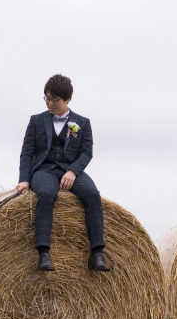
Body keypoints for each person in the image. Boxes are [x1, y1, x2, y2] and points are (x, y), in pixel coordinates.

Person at [15, 74, 110, 272]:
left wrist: (73, 171)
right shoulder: (36, 121)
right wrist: (24, 180)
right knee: (48, 194)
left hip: (71, 170)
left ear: (67, 100)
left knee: (93, 194)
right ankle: (43, 254)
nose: (49, 103)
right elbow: (27, 152)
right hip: (43, 169)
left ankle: (97, 253)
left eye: (54, 99)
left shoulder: (82, 123)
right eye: (46, 98)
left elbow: (86, 152)